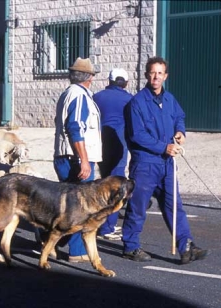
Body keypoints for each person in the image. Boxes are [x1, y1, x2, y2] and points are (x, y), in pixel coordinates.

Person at [121, 56, 209, 264]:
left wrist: (180, 131)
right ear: (146, 75)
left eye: (160, 73)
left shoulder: (169, 99)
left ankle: (186, 246)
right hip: (145, 164)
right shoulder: (137, 102)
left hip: (167, 164)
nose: (156, 77)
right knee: (138, 206)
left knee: (174, 206)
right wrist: (164, 147)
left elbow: (179, 116)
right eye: (153, 73)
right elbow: (137, 135)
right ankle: (130, 247)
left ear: (165, 76)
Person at [53, 57, 102, 263]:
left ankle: (55, 241)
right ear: (89, 77)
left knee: (69, 205)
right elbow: (75, 127)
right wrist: (83, 160)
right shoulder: (79, 96)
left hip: (66, 156)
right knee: (79, 206)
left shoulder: (70, 93)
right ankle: (74, 249)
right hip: (75, 158)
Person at [93, 68, 133, 240]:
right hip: (118, 145)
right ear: (125, 82)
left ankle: (100, 221)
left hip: (100, 144)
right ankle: (108, 227)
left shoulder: (97, 97)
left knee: (104, 183)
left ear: (108, 81)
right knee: (117, 184)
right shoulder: (130, 99)